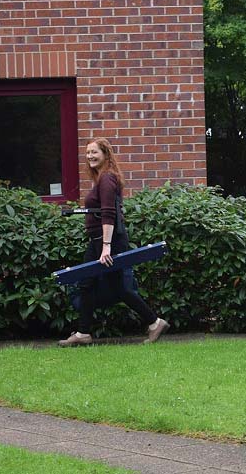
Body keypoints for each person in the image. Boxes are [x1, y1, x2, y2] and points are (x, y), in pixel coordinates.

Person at [59, 139, 169, 347]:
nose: (90, 156)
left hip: (106, 241)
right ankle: (84, 333)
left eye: (95, 152)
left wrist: (106, 247)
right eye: (88, 153)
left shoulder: (107, 178)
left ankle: (154, 322)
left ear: (106, 154)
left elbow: (109, 213)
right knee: (89, 283)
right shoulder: (103, 178)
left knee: (112, 287)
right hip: (98, 241)